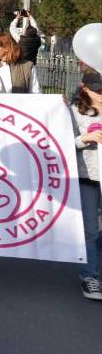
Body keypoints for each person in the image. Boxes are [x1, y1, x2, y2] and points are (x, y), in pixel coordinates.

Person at [69, 72, 102, 301]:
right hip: (88, 177)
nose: (101, 95)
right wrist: (86, 139)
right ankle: (90, 275)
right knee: (89, 229)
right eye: (97, 90)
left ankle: (93, 257)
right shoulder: (74, 113)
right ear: (84, 88)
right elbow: (62, 145)